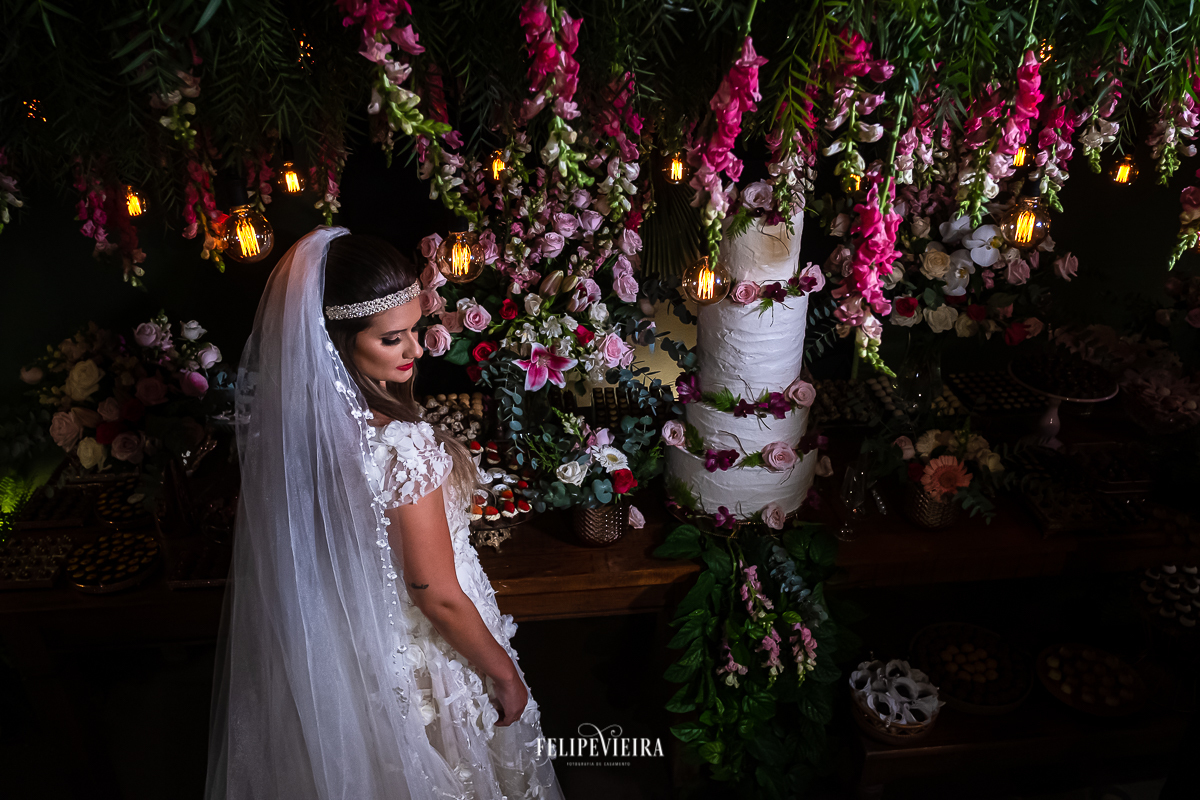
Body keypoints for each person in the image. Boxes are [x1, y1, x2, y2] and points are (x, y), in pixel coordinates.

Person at [205, 227, 563, 799]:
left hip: (344, 657)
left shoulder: (292, 436)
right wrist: (502, 673)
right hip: (425, 660)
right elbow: (435, 593)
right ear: (336, 342)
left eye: (416, 330)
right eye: (392, 339)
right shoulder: (401, 447)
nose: (416, 351)